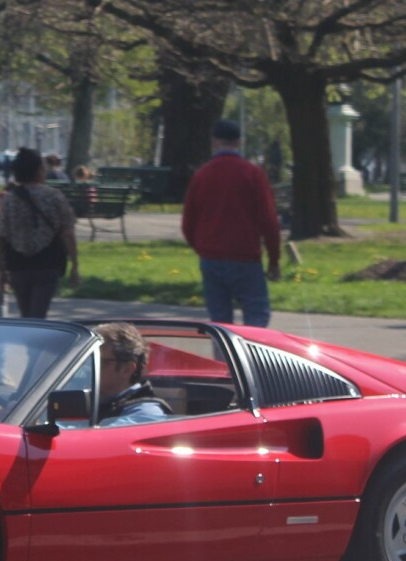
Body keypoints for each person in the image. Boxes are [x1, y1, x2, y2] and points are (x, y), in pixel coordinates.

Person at [181, 118, 281, 327]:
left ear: (215, 141)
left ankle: (223, 360)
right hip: (246, 256)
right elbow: (268, 220)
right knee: (256, 314)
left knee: (220, 321)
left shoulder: (202, 175)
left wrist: (201, 246)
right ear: (238, 142)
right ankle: (254, 358)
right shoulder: (252, 173)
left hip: (212, 256)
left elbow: (188, 221)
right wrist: (274, 258)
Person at [0, 148, 79, 320]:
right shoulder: (54, 196)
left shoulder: (9, 199)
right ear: (39, 170)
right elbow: (68, 232)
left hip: (18, 265)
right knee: (37, 317)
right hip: (47, 263)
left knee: (27, 315)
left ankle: (31, 344)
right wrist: (75, 265)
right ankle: (34, 345)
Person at [95, 322, 171, 426]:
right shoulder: (93, 401)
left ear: (127, 369)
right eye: (87, 360)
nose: (88, 368)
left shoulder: (145, 414)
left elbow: (99, 439)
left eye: (98, 361)